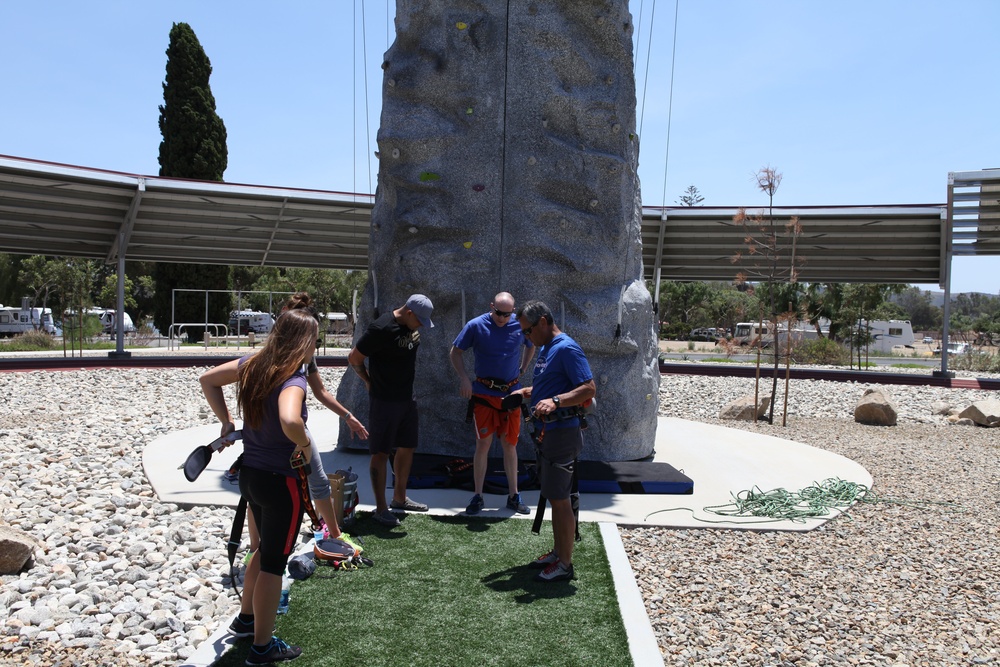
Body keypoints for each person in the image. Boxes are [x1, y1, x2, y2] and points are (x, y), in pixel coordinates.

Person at [199, 307, 318, 664]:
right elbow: (289, 418)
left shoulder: (253, 363)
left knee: (264, 549)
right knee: (273, 565)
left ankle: (246, 619)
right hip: (281, 483)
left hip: (250, 475)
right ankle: (262, 648)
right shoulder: (292, 379)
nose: (316, 347)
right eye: (315, 340)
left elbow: (208, 380)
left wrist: (226, 421)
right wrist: (306, 446)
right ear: (303, 342)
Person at [511, 300, 596, 583]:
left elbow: (588, 388)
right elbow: (555, 384)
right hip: (549, 433)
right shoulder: (548, 348)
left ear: (544, 322)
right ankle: (559, 552)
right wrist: (531, 392)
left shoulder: (567, 348)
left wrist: (555, 401)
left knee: (560, 500)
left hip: (562, 433)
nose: (526, 337)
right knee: (555, 497)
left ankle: (565, 564)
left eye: (528, 331)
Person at [348, 294, 434, 527]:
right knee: (381, 453)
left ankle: (399, 498)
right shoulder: (381, 328)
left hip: (407, 397)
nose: (421, 327)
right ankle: (381, 508)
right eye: (420, 321)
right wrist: (367, 380)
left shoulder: (410, 324)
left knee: (407, 447)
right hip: (384, 400)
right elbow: (354, 357)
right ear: (408, 313)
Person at [449, 291, 534, 515]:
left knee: (510, 445)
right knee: (483, 445)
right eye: (498, 313)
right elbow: (455, 352)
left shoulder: (519, 325)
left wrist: (523, 368)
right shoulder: (476, 325)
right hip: (484, 396)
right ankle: (477, 496)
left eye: (506, 314)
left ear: (513, 312)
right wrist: (464, 378)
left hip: (511, 396)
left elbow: (531, 345)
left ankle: (514, 495)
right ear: (491, 306)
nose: (502, 318)